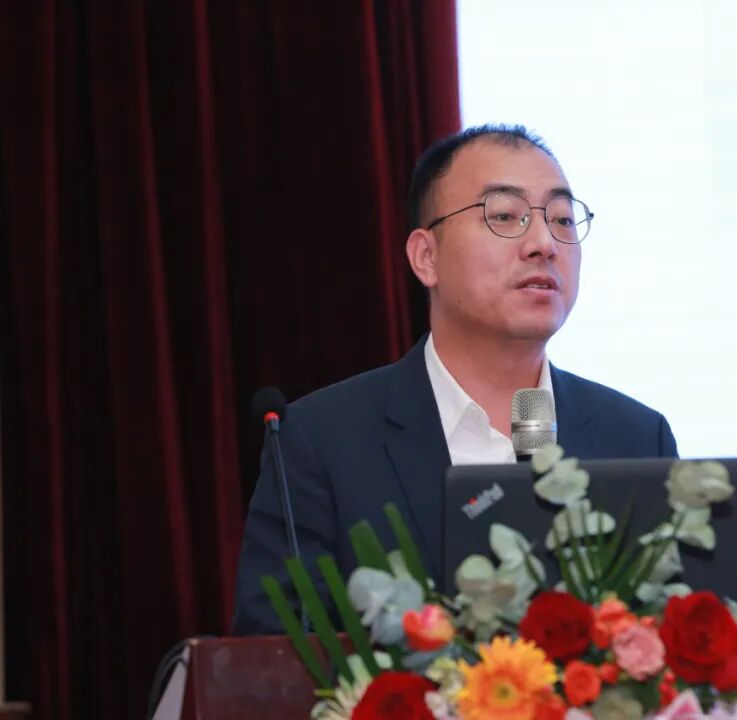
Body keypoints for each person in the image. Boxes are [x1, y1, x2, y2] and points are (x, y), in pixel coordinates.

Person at [231, 124, 677, 635]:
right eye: (504, 216)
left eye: (560, 219)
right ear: (427, 257)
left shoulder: (637, 439)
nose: (543, 244)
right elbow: (273, 654)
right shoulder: (321, 443)